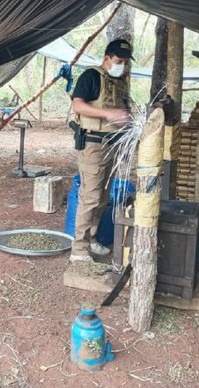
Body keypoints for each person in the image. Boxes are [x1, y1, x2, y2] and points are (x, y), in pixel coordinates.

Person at [69, 39, 133, 263]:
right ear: (107, 58)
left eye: (125, 62)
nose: (122, 65)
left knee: (103, 196)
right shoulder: (91, 76)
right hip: (94, 145)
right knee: (90, 196)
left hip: (112, 144)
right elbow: (77, 105)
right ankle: (79, 248)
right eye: (119, 61)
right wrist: (107, 114)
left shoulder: (119, 83)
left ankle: (92, 238)